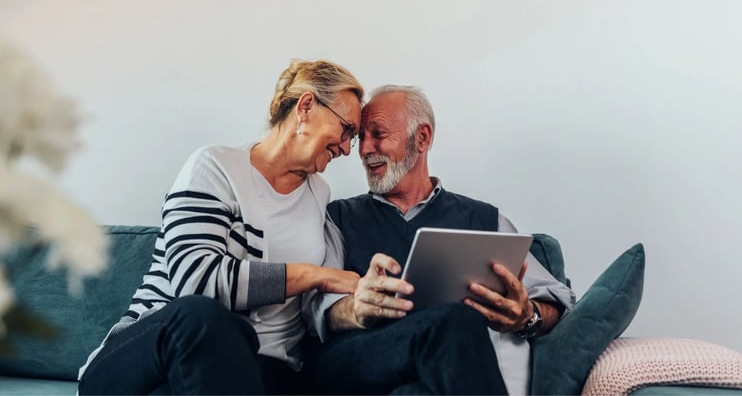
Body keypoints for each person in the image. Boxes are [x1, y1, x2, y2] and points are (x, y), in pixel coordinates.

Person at [78, 59, 366, 395]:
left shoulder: (320, 197)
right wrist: (315, 275)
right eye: (346, 129)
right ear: (305, 107)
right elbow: (196, 282)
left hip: (258, 372)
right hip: (155, 357)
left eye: (353, 138)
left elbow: (324, 303)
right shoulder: (215, 168)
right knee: (201, 316)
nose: (347, 148)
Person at [302, 85, 576, 395]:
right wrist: (354, 308)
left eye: (377, 134)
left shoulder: (486, 221)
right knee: (454, 321)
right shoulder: (337, 218)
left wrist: (528, 316)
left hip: (440, 372)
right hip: (357, 361)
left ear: (422, 138)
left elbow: (556, 300)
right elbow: (314, 309)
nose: (364, 149)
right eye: (360, 137)